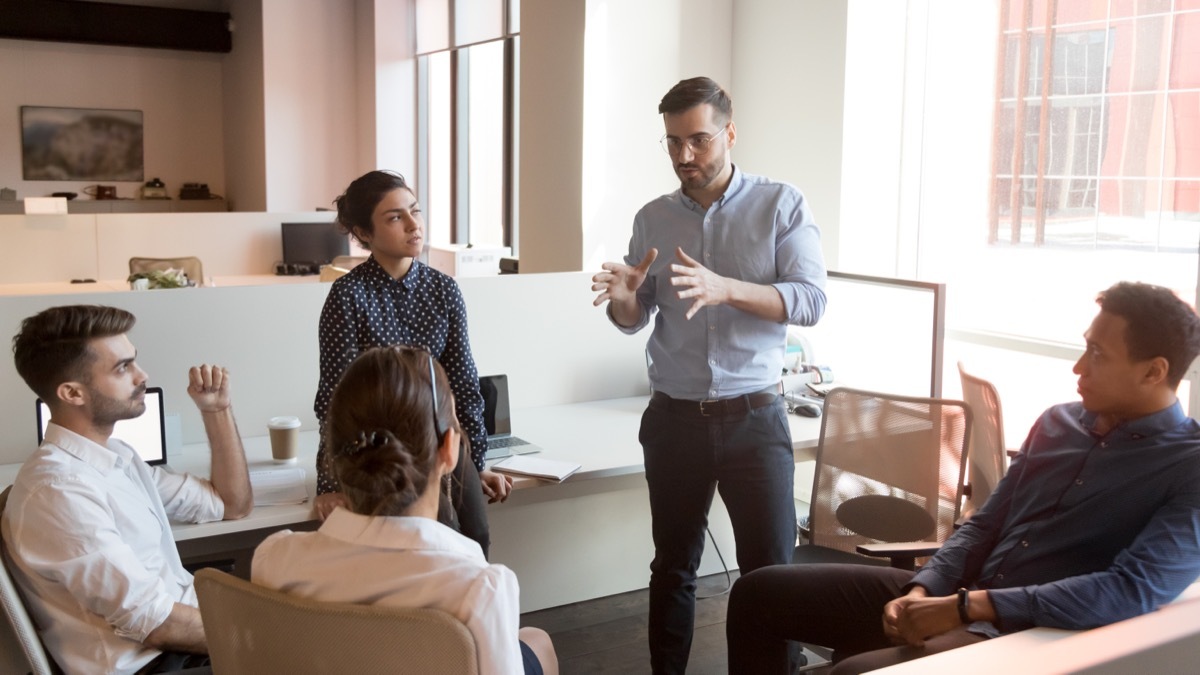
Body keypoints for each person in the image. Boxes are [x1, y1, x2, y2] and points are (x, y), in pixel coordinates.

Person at [726, 281, 1200, 674]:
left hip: (1024, 632)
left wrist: (967, 607)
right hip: (956, 596)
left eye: (1097, 354)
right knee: (757, 593)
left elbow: (1130, 589)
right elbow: (984, 524)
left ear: (1154, 372)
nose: (1078, 367)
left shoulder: (1188, 467)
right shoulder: (1059, 422)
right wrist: (924, 588)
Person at [591, 76, 828, 673]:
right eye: (672, 143)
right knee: (672, 567)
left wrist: (727, 289)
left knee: (769, 574)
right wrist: (624, 298)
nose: (684, 157)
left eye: (698, 140)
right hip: (674, 420)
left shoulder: (781, 204)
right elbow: (634, 318)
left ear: (729, 132)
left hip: (755, 418)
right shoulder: (652, 218)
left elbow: (809, 300)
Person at [254, 346, 558, 675]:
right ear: (449, 449)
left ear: (334, 457)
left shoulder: (274, 558)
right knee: (536, 640)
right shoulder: (480, 587)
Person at [3, 305, 253, 675]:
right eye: (123, 368)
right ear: (72, 393)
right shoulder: (59, 491)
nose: (142, 376)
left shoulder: (115, 457)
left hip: (187, 640)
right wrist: (262, 633)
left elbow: (229, 505)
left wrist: (217, 410)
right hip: (156, 663)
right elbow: (157, 625)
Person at [312, 170, 511, 556]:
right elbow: (334, 400)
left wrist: (479, 462)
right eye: (395, 218)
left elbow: (464, 386)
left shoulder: (444, 289)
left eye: (414, 211)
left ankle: (471, 613)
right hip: (380, 450)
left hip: (441, 436)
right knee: (434, 536)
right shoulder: (347, 296)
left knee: (476, 537)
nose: (413, 225)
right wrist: (330, 485)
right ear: (364, 233)